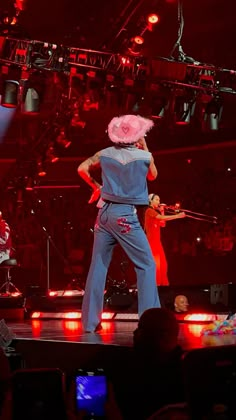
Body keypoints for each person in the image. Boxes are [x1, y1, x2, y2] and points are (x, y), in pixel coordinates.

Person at [77, 114, 161, 332]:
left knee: (98, 266)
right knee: (147, 265)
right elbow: (153, 176)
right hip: (125, 216)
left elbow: (81, 169)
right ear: (137, 135)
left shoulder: (104, 154)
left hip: (104, 214)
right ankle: (150, 322)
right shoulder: (144, 157)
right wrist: (145, 147)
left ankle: (90, 323)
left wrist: (96, 186)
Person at [144, 194, 186, 286]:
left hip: (157, 243)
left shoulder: (155, 212)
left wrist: (162, 211)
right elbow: (161, 218)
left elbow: (163, 224)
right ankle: (156, 285)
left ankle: (162, 285)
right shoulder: (149, 211)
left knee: (163, 265)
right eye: (156, 200)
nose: (159, 202)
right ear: (150, 201)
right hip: (151, 243)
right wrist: (177, 216)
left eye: (159, 200)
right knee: (157, 267)